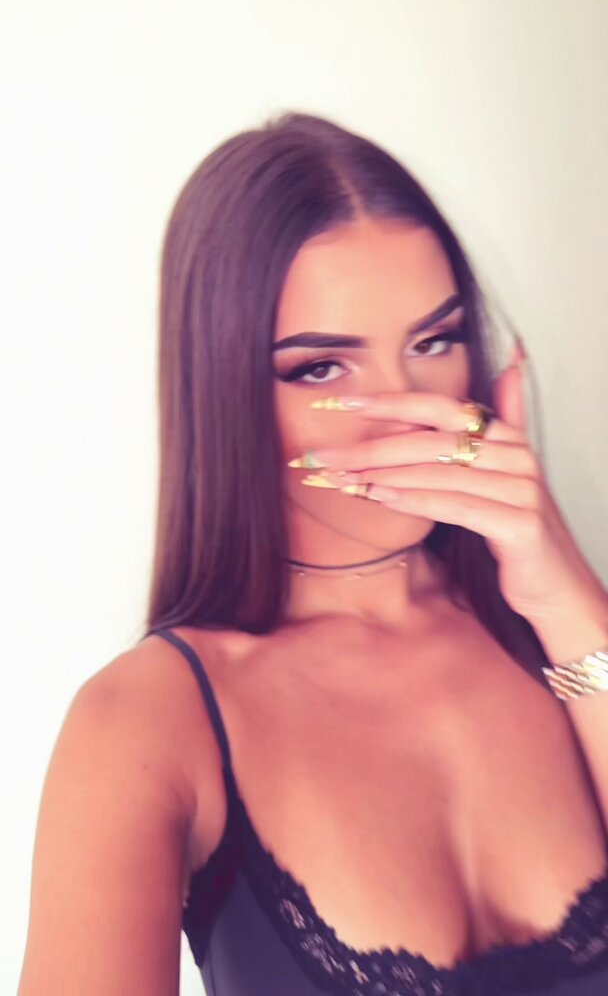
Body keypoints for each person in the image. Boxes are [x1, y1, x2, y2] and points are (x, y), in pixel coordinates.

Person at [18, 113, 608, 995]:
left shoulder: (555, 638)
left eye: (433, 342)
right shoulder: (148, 724)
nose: (404, 415)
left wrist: (566, 599)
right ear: (227, 394)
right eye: (322, 368)